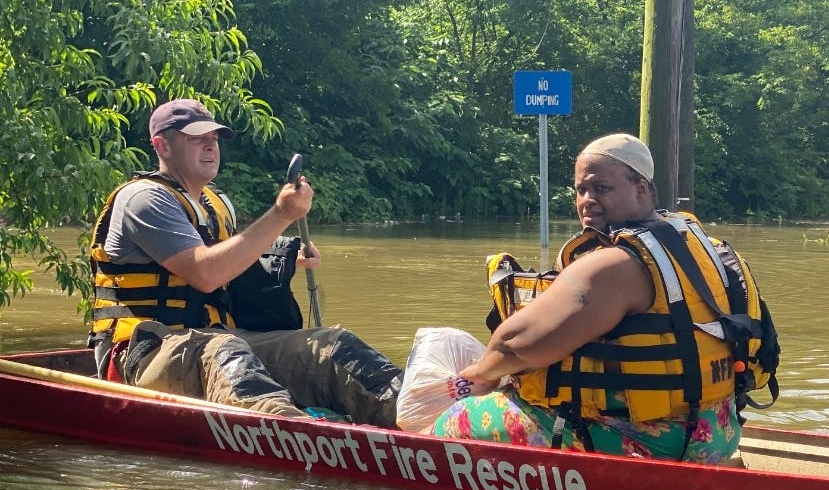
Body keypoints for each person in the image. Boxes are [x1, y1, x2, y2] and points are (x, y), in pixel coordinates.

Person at [430, 133, 775, 463]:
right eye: (580, 189)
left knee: (456, 418)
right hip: (716, 430)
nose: (587, 200)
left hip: (648, 443)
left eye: (601, 188)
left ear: (641, 188)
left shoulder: (613, 264)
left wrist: (481, 376)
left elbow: (514, 344)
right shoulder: (699, 244)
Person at [88, 98, 403, 425]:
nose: (210, 147)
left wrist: (283, 259)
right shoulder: (143, 199)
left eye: (214, 140)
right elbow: (206, 272)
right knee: (227, 351)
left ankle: (420, 413)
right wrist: (281, 215)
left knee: (333, 347)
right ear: (162, 145)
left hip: (215, 340)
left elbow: (231, 261)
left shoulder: (216, 202)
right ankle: (296, 436)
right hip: (142, 353)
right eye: (197, 139)